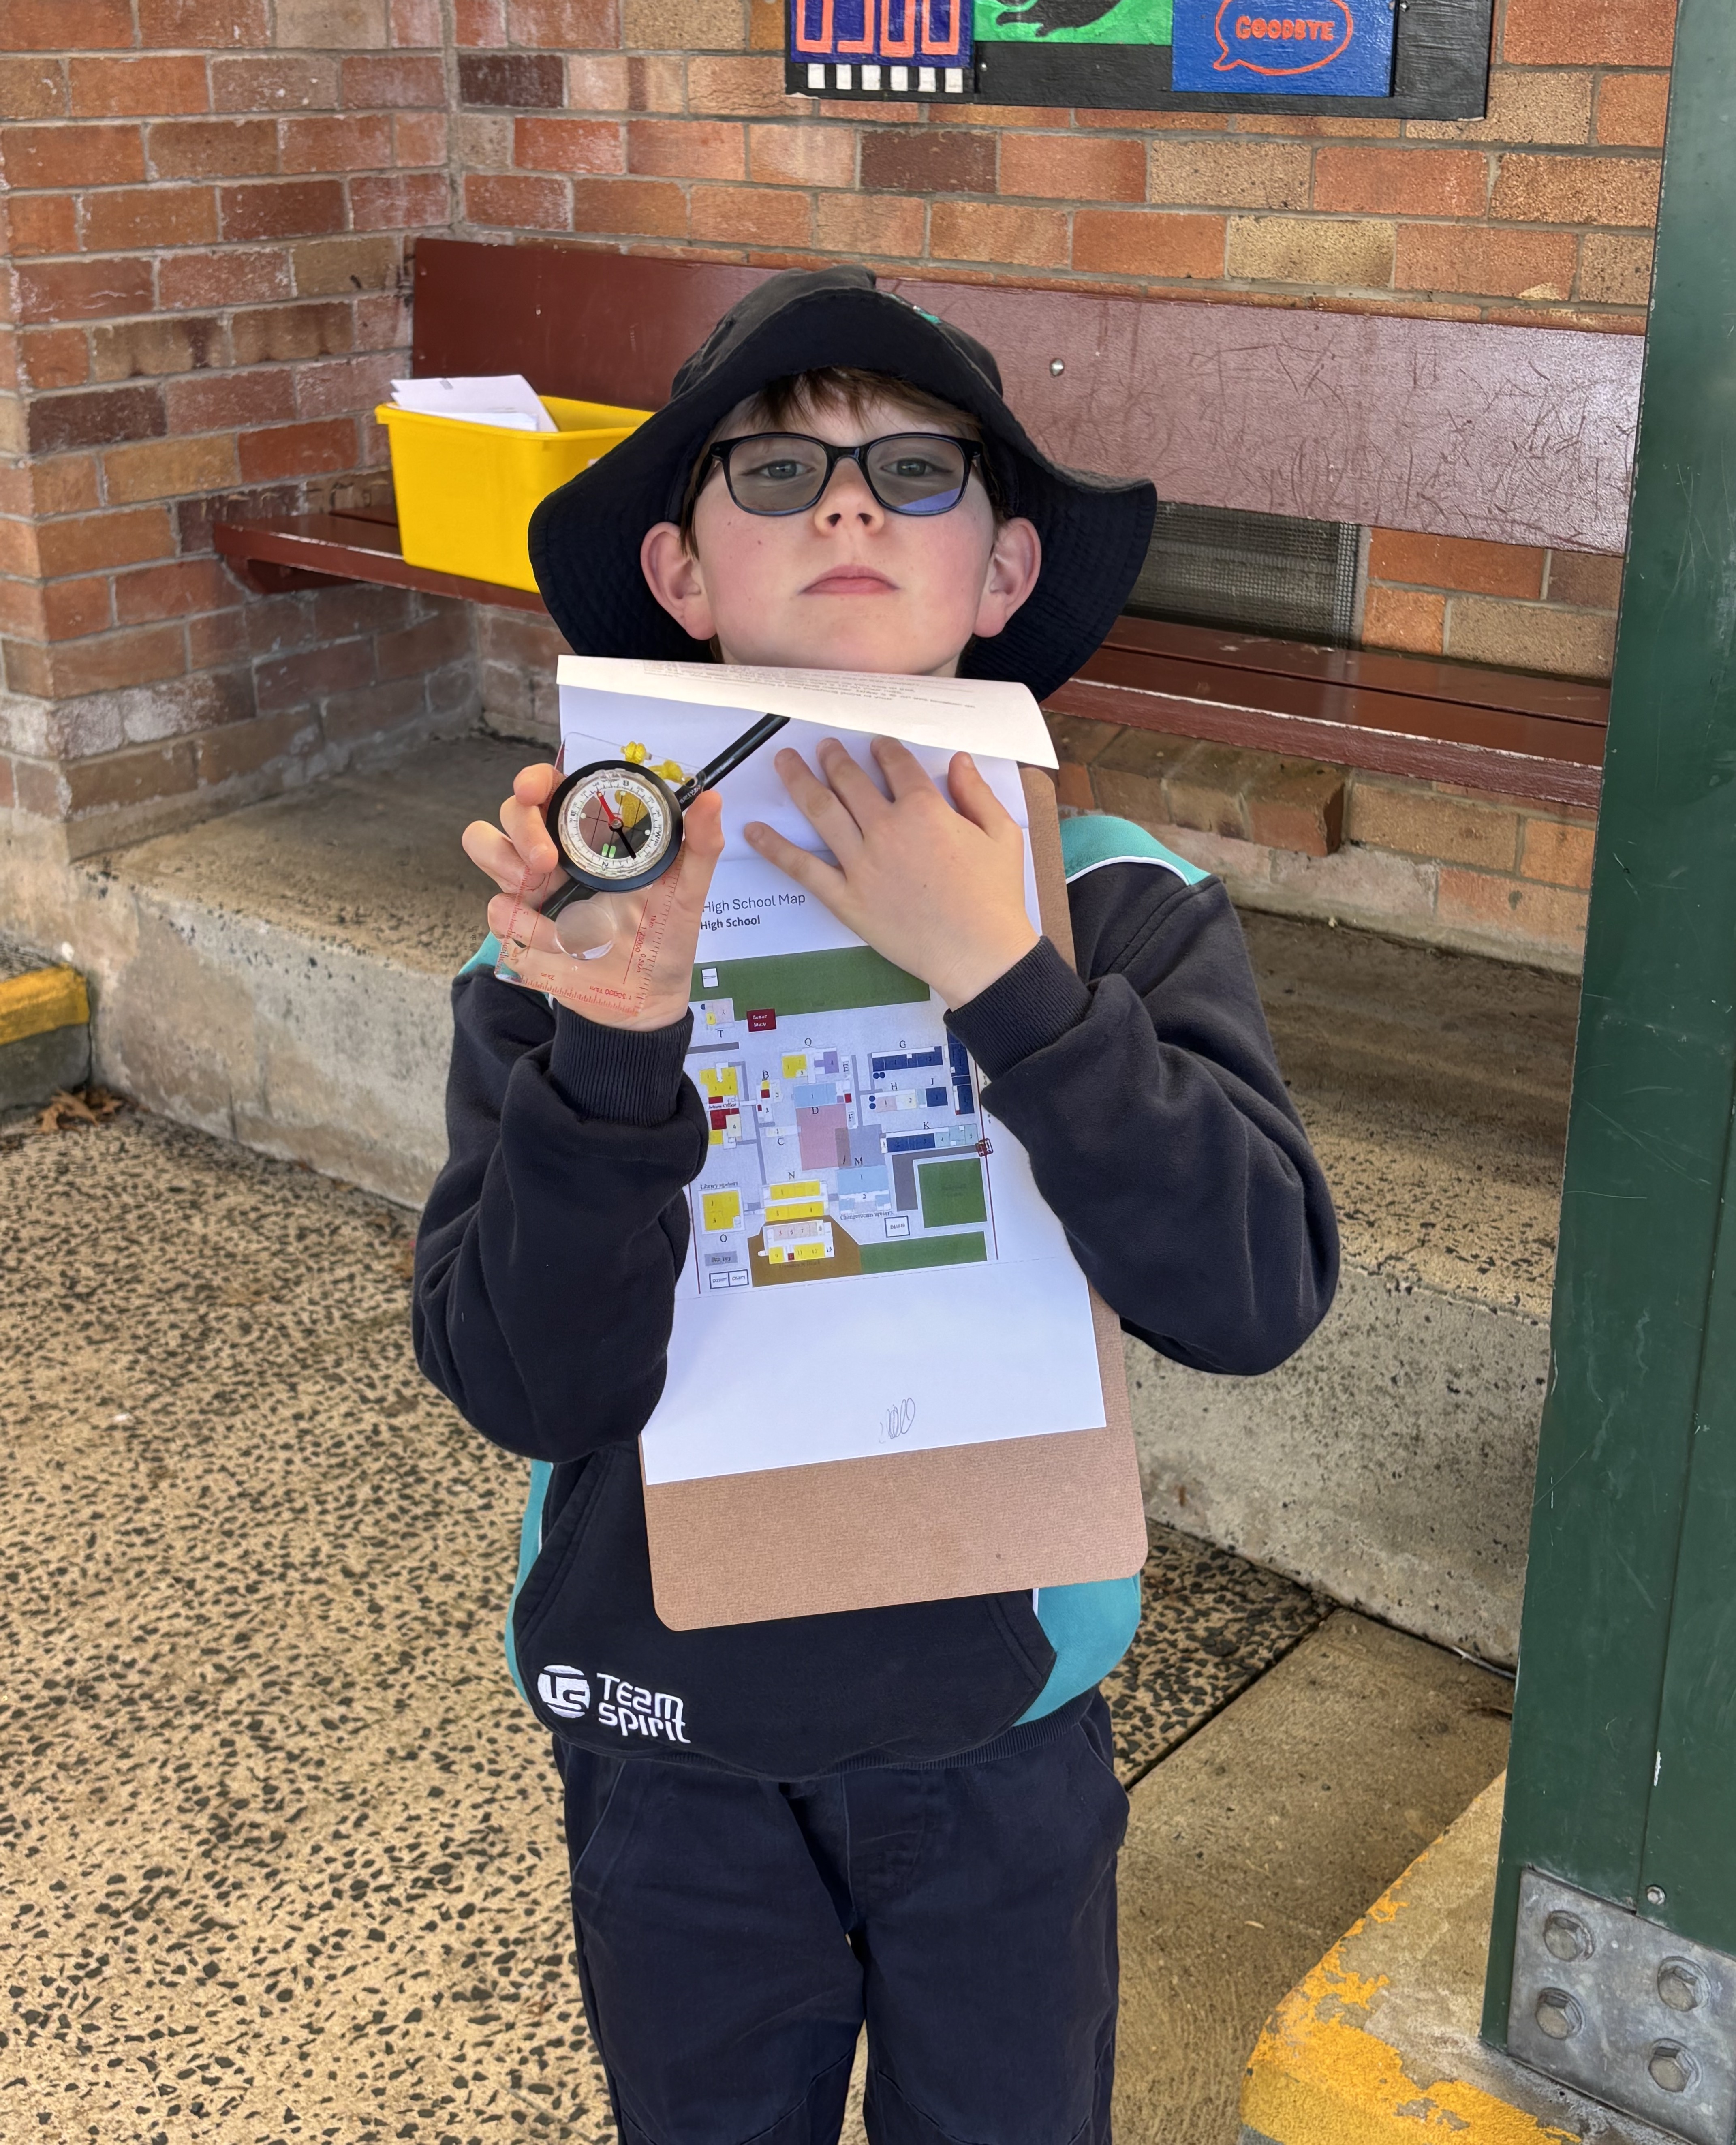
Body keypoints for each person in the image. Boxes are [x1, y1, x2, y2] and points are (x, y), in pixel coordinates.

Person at [413, 266, 1338, 2145]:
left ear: (1005, 569)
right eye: (777, 472)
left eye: (918, 471)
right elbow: (525, 1379)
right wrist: (615, 1040)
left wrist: (1007, 977)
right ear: (679, 572)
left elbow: (1254, 1289)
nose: (848, 507)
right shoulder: (574, 928)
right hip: (668, 1713)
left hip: (996, 1716)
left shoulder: (1117, 905)